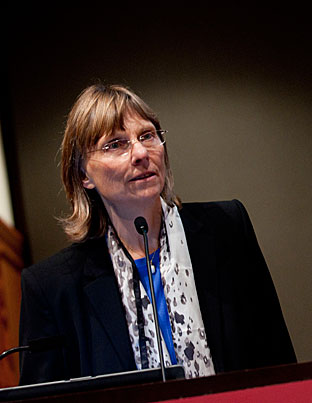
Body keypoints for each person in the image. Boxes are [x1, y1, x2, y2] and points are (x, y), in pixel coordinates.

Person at [19, 84, 296, 384]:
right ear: (84, 174)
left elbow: (279, 362)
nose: (140, 153)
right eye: (116, 144)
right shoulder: (52, 287)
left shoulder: (226, 229)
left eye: (147, 136)